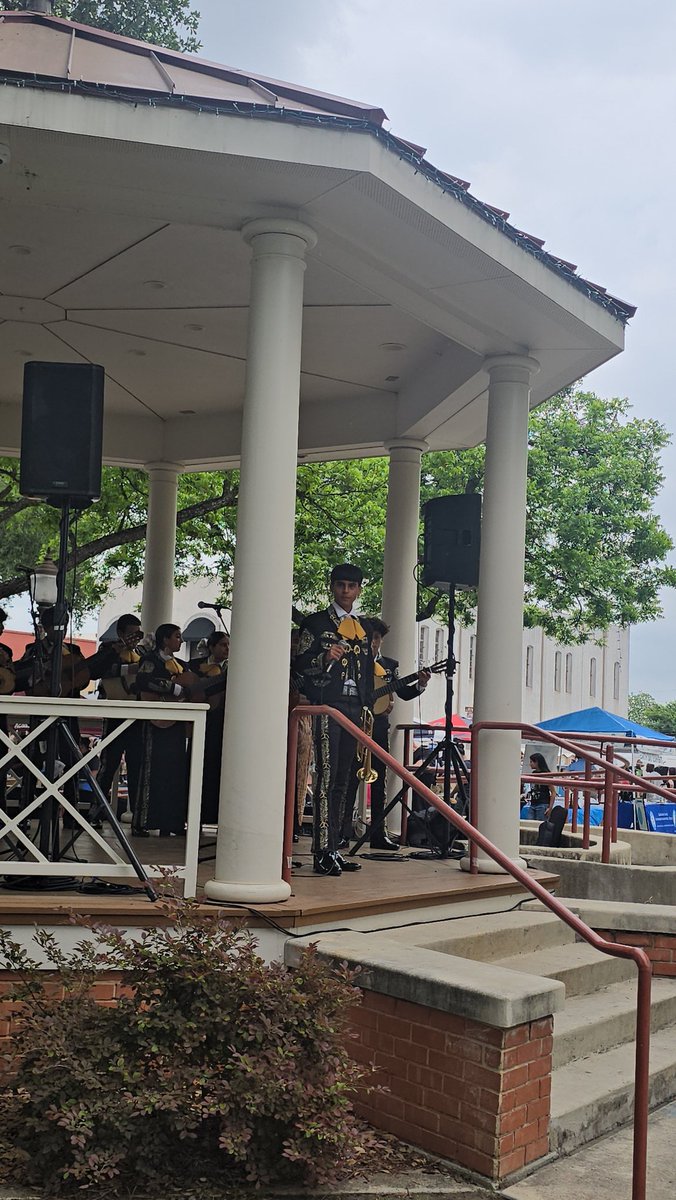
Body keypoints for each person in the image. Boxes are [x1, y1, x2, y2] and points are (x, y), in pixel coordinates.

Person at [294, 563, 375, 876]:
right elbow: (300, 665)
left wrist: (368, 703)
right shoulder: (315, 623)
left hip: (355, 706)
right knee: (327, 778)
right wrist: (324, 658)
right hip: (329, 703)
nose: (345, 591)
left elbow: (367, 671)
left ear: (358, 590)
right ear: (332, 586)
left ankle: (335, 847)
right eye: (340, 585)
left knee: (345, 778)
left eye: (351, 586)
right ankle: (321, 852)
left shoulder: (364, 627)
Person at [341, 616, 431, 850]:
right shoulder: (353, 661)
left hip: (379, 726)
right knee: (350, 776)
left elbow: (404, 694)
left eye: (376, 638)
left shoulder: (389, 666)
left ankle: (378, 834)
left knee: (380, 778)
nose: (372, 643)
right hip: (354, 724)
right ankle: (342, 830)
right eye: (369, 638)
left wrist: (420, 684)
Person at [134, 624, 190, 837]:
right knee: (151, 768)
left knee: (175, 771)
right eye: (177, 637)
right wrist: (174, 688)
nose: (181, 641)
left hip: (175, 722)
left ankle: (171, 822)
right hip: (155, 721)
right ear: (165, 639)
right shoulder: (150, 660)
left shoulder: (181, 665)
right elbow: (143, 680)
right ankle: (143, 821)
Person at [86, 613, 144, 818]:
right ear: (120, 633)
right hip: (115, 713)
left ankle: (138, 815)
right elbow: (101, 670)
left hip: (138, 714)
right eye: (132, 634)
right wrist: (132, 668)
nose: (136, 638)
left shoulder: (142, 652)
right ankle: (96, 811)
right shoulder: (109, 649)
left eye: (139, 634)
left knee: (137, 765)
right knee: (108, 764)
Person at [188, 629, 229, 824]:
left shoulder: (233, 668)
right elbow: (193, 690)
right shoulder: (197, 666)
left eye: (229, 645)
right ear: (211, 647)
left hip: (225, 721)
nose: (227, 649)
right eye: (222, 645)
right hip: (205, 720)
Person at [522, 752, 555, 821]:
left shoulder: (546, 775)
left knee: (540, 825)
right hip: (533, 803)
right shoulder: (534, 773)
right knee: (530, 825)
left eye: (531, 762)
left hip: (543, 803)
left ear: (536, 762)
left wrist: (550, 807)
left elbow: (553, 792)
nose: (530, 764)